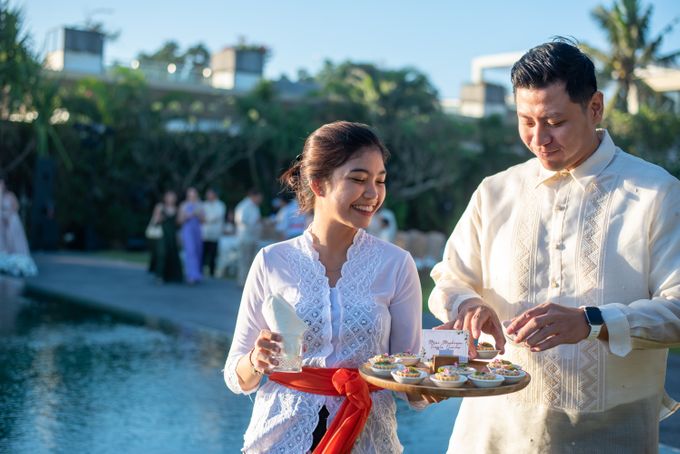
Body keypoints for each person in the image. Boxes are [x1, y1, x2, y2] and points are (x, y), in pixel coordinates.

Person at [428, 39, 680, 453]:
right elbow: (449, 279)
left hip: (611, 434)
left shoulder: (657, 192)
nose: (538, 138)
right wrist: (467, 307)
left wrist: (592, 321)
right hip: (492, 428)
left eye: (554, 121)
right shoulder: (495, 192)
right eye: (525, 120)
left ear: (595, 108)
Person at [223, 121, 423, 453]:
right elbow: (236, 376)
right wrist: (257, 359)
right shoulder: (272, 261)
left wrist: (448, 364)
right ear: (318, 184)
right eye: (358, 179)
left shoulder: (397, 264)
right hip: (279, 439)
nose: (373, 193)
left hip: (366, 437)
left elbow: (407, 383)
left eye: (380, 180)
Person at [0, 176, 37, 277]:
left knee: (13, 238)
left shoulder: (10, 195)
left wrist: (8, 214)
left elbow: (16, 207)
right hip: (3, 222)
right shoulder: (1, 196)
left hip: (11, 220)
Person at [152, 190, 183, 283]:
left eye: (172, 197)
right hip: (162, 234)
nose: (170, 199)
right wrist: (160, 218)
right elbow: (155, 221)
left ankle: (171, 276)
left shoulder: (177, 209)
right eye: (169, 197)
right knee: (162, 254)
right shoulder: (160, 207)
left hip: (172, 235)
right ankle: (159, 275)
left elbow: (179, 223)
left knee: (172, 253)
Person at [234, 188, 262, 287]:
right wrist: (253, 224)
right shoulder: (244, 206)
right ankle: (242, 282)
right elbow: (241, 220)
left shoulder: (254, 206)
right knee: (244, 260)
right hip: (245, 237)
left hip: (253, 238)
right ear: (254, 196)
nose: (260, 199)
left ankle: (248, 283)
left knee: (251, 261)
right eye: (259, 197)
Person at [179, 187, 204, 285]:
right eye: (190, 195)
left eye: (194, 195)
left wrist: (198, 214)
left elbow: (203, 220)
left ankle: (197, 274)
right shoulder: (184, 205)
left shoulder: (200, 205)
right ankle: (191, 275)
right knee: (190, 251)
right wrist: (188, 216)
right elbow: (179, 220)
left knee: (198, 252)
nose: (192, 197)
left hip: (197, 231)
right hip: (187, 230)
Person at [201, 188, 226, 277]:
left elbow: (216, 217)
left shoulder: (220, 205)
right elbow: (201, 216)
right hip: (205, 234)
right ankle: (202, 270)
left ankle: (211, 272)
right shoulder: (204, 205)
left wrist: (206, 219)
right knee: (203, 253)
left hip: (215, 234)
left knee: (213, 254)